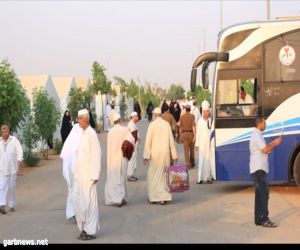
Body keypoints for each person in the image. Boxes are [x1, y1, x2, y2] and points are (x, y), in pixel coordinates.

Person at [72, 109, 101, 240]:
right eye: (77, 118)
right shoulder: (82, 134)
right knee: (79, 203)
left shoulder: (91, 134)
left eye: (80, 118)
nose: (78, 120)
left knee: (89, 205)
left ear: (86, 119)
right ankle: (83, 229)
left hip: (89, 176)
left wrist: (95, 175)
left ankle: (90, 231)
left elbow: (96, 155)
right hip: (79, 175)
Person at [250, 116, 282, 228]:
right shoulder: (257, 135)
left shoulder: (257, 134)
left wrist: (272, 144)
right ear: (260, 123)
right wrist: (275, 143)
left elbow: (264, 149)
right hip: (259, 169)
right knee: (264, 194)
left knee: (259, 195)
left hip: (258, 168)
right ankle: (265, 219)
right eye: (265, 122)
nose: (266, 124)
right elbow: (265, 149)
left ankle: (258, 219)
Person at [143, 107, 178, 205]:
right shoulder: (166, 125)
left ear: (154, 115)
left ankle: (154, 197)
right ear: (161, 115)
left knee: (152, 175)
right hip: (165, 153)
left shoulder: (152, 125)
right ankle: (163, 197)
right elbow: (171, 141)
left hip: (154, 154)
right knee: (164, 175)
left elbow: (147, 142)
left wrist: (146, 156)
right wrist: (174, 156)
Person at [105, 113, 135, 207]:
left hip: (112, 158)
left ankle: (114, 198)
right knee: (121, 177)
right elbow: (131, 141)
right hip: (122, 157)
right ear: (120, 120)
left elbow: (109, 146)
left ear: (113, 122)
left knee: (113, 178)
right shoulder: (125, 129)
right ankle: (119, 199)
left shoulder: (110, 132)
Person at [60, 123, 82, 222]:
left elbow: (64, 159)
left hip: (70, 172)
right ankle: (77, 212)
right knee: (79, 192)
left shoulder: (68, 141)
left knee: (72, 191)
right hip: (77, 171)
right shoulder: (80, 140)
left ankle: (72, 212)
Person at [0, 125, 23, 214]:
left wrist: (19, 160)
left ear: (9, 131)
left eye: (6, 132)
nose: (5, 134)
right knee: (2, 187)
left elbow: (19, 150)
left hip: (13, 167)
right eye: (3, 132)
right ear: (1, 132)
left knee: (12, 187)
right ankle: (2, 205)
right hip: (2, 168)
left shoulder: (14, 140)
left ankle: (12, 204)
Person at [195, 100, 213, 184]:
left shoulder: (210, 120)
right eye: (207, 111)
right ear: (203, 112)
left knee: (208, 160)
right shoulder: (200, 121)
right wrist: (197, 144)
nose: (208, 112)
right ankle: (200, 178)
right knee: (202, 160)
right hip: (202, 144)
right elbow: (197, 134)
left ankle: (208, 178)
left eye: (209, 111)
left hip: (209, 144)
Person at [179, 105, 196, 169]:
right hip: (191, 133)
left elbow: (180, 128)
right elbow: (193, 126)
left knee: (186, 150)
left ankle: (188, 164)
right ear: (190, 109)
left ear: (185, 109)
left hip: (184, 134)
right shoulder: (192, 116)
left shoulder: (182, 117)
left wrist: (180, 136)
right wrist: (195, 135)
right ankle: (192, 162)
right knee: (192, 149)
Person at [127, 112, 140, 182]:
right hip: (132, 145)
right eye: (136, 116)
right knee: (131, 160)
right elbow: (133, 136)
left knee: (133, 160)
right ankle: (129, 175)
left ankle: (131, 174)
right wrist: (136, 142)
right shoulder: (131, 124)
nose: (137, 118)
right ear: (133, 117)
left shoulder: (133, 124)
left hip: (134, 144)